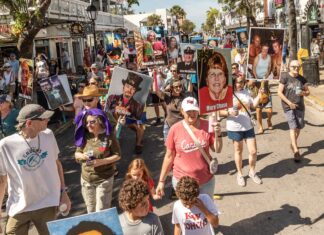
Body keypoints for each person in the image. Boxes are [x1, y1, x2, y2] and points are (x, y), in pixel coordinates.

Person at [0, 104, 71, 235]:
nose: (48, 120)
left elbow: (57, 165)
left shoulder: (49, 135)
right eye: (43, 119)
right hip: (19, 206)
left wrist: (63, 192)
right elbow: (2, 181)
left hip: (47, 203)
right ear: (29, 123)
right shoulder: (5, 145)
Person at [156, 97, 222, 199]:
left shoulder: (207, 125)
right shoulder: (175, 129)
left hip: (206, 181)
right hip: (183, 183)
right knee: (188, 212)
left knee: (206, 211)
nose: (192, 113)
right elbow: (169, 157)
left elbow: (217, 149)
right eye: (188, 111)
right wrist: (161, 181)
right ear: (182, 111)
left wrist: (218, 134)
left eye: (194, 110)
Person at [74, 108, 121, 213]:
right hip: (86, 180)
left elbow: (117, 155)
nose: (88, 125)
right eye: (87, 122)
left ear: (100, 122)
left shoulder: (109, 136)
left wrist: (101, 162)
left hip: (103, 179)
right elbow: (77, 153)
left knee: (101, 211)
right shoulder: (85, 135)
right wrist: (83, 156)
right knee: (90, 210)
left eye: (92, 122)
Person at [221, 74, 263, 187]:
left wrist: (259, 96)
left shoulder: (247, 92)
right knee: (238, 151)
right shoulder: (226, 93)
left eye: (241, 82)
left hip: (248, 126)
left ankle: (252, 172)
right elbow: (220, 111)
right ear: (233, 82)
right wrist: (229, 112)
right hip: (234, 127)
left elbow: (253, 105)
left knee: (253, 151)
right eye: (237, 82)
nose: (239, 84)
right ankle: (239, 174)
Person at [277, 60, 310, 162]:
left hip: (300, 106)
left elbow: (308, 92)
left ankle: (293, 143)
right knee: (293, 127)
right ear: (289, 67)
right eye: (293, 67)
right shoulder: (285, 77)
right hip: (288, 107)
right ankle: (296, 150)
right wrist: (289, 103)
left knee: (299, 127)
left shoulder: (302, 79)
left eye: (298, 67)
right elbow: (279, 92)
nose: (296, 69)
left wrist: (303, 93)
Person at [106, 73, 145, 154]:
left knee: (141, 126)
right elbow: (106, 111)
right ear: (123, 87)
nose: (129, 90)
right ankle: (106, 147)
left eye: (133, 88)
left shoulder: (138, 105)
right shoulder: (112, 98)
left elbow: (139, 118)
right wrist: (116, 110)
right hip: (113, 122)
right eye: (127, 86)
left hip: (128, 123)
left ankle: (138, 144)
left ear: (135, 92)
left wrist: (128, 114)